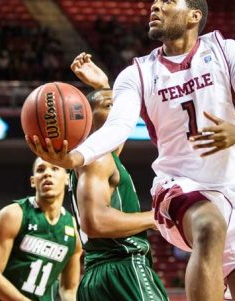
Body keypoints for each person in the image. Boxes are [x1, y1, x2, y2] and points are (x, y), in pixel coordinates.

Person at [28, 0, 235, 300]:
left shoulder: (224, 50)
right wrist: (76, 157)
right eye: (154, 1)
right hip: (180, 188)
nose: (155, 6)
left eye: (166, 0)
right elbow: (118, 126)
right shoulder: (137, 74)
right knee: (210, 226)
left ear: (194, 15)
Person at [68, 53, 168, 301]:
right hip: (123, 269)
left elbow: (117, 132)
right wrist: (156, 217)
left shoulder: (102, 156)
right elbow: (96, 222)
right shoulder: (98, 159)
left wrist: (103, 87)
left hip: (96, 276)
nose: (119, 110)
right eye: (109, 105)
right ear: (88, 119)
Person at [0, 158, 82, 301]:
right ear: (32, 181)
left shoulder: (73, 229)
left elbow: (68, 289)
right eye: (41, 169)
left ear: (67, 179)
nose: (47, 174)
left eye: (55, 169)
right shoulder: (13, 215)